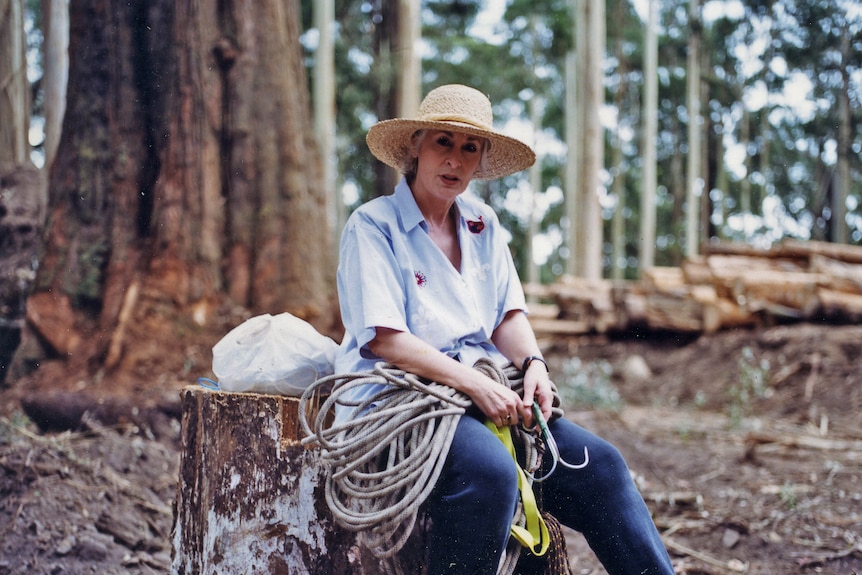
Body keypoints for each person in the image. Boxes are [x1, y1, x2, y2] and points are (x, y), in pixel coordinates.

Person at [334, 84, 675, 575]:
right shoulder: (373, 225)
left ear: (481, 160)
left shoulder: (482, 223)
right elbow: (384, 339)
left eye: (468, 148)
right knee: (489, 472)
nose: (454, 160)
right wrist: (473, 384)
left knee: (602, 468)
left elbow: (507, 317)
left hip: (486, 388)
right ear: (416, 146)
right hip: (402, 399)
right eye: (443, 142)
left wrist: (533, 364)